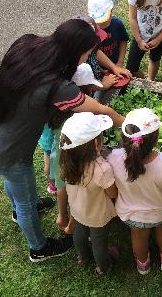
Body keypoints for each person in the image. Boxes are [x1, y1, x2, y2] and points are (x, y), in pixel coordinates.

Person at [0, 19, 124, 262]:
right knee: (21, 193)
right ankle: (38, 248)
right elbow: (100, 109)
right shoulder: (56, 85)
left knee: (16, 181)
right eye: (87, 54)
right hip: (7, 149)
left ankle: (22, 207)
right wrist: (128, 123)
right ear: (75, 50)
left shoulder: (28, 44)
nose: (87, 59)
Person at [107, 108, 162, 275]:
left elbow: (111, 188)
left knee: (138, 236)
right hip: (160, 213)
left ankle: (143, 264)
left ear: (124, 137)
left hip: (131, 214)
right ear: (156, 139)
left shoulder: (113, 158)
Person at [60, 112, 118, 276]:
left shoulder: (66, 162)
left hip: (78, 210)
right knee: (99, 241)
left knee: (79, 233)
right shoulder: (102, 169)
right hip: (98, 214)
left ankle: (83, 257)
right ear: (95, 142)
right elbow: (112, 193)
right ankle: (103, 267)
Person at [51, 62, 105, 234]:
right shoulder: (83, 112)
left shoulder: (62, 105)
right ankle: (72, 221)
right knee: (77, 191)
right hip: (76, 158)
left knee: (62, 186)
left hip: (59, 155)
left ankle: (62, 216)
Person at [87, 0, 129, 67]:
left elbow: (123, 40)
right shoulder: (89, 29)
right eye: (97, 21)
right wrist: (101, 70)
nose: (100, 24)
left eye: (103, 20)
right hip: (97, 67)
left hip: (116, 62)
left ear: (111, 11)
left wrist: (120, 62)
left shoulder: (117, 23)